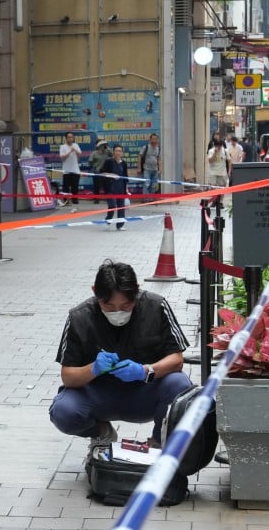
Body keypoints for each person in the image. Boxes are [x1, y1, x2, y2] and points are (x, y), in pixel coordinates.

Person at [49, 261, 192, 448]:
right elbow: (68, 376)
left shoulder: (156, 306)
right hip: (98, 395)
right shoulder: (79, 317)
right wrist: (94, 368)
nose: (118, 312)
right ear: (95, 292)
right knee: (63, 411)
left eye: (126, 306)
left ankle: (158, 441)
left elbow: (177, 359)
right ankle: (101, 432)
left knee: (179, 385)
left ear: (137, 290)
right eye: (109, 306)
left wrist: (145, 371)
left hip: (144, 392)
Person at [101, 144, 129, 230]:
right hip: (110, 187)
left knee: (121, 207)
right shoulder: (108, 162)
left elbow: (125, 178)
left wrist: (126, 189)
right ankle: (108, 221)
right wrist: (112, 175)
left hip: (121, 188)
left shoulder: (124, 163)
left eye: (120, 151)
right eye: (116, 151)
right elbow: (102, 173)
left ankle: (120, 225)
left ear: (122, 153)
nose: (118, 153)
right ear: (113, 152)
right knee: (112, 206)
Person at [59, 132, 83, 209]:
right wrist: (70, 151)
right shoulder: (62, 147)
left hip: (75, 169)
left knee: (75, 186)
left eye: (72, 137)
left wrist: (74, 149)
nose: (71, 138)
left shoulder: (76, 145)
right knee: (66, 187)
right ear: (66, 138)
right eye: (69, 137)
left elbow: (80, 154)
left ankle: (75, 199)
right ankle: (66, 200)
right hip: (66, 170)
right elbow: (62, 157)